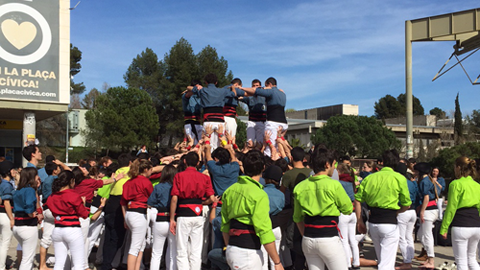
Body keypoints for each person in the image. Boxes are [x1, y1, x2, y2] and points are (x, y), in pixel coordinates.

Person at [221, 150, 284, 270]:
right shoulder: (259, 194)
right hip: (248, 252)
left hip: (232, 248)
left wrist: (231, 246)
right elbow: (264, 230)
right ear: (263, 168)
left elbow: (225, 225)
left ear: (243, 168)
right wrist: (277, 262)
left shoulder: (229, 191)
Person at [293, 147, 352, 270]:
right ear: (327, 164)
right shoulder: (334, 185)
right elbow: (348, 209)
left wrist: (306, 235)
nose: (334, 168)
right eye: (334, 164)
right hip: (329, 238)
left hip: (308, 238)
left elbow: (297, 218)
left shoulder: (300, 187)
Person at [354, 149, 411, 270]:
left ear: (382, 162)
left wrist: (359, 221)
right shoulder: (399, 178)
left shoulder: (370, 178)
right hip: (390, 221)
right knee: (387, 264)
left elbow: (357, 200)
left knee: (382, 260)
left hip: (373, 222)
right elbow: (407, 204)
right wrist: (398, 211)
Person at [169, 152, 215, 269]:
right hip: (198, 214)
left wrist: (172, 218)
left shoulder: (179, 176)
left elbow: (174, 198)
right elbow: (211, 198)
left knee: (181, 250)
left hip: (183, 214)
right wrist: (202, 203)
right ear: (198, 163)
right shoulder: (204, 177)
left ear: (184, 162)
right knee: (196, 250)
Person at [44, 170, 90, 270]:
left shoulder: (51, 197)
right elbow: (84, 214)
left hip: (57, 229)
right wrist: (83, 204)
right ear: (72, 181)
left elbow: (53, 212)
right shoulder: (73, 195)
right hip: (72, 230)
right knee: (78, 264)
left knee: (59, 263)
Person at [440, 157, 480, 270]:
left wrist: (444, 227)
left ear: (458, 168)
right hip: (476, 224)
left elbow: (451, 207)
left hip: (461, 224)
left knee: (461, 262)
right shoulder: (477, 185)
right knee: (472, 259)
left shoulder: (455, 184)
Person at [188, 73, 236, 150]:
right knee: (220, 145)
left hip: (208, 120)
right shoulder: (222, 91)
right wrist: (233, 88)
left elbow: (189, 88)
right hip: (220, 120)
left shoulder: (203, 90)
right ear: (216, 82)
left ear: (205, 82)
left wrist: (198, 87)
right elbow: (233, 94)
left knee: (207, 145)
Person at [240, 77, 287, 157]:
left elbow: (258, 91)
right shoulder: (282, 94)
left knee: (269, 149)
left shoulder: (269, 93)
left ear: (269, 85)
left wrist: (241, 88)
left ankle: (269, 164)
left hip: (272, 123)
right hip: (283, 123)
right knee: (278, 147)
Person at [120, 159, 154, 270]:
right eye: (150, 170)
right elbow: (152, 198)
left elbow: (123, 202)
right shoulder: (145, 181)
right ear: (145, 169)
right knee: (135, 247)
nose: (151, 172)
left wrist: (125, 218)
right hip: (139, 214)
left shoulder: (128, 182)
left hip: (129, 213)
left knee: (141, 245)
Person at [147, 164, 177, 270]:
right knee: (172, 251)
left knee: (156, 252)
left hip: (160, 219)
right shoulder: (176, 187)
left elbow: (150, 203)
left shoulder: (158, 187)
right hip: (173, 219)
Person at [12, 167, 42, 270]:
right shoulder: (30, 190)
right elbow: (29, 204)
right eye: (36, 175)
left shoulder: (18, 190)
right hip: (28, 226)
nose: (38, 177)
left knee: (26, 256)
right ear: (32, 177)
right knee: (27, 259)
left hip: (17, 226)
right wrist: (31, 214)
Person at [39, 162, 65, 270]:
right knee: (63, 236)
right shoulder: (56, 180)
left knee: (45, 239)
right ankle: (61, 262)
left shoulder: (45, 181)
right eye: (58, 168)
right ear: (55, 170)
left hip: (45, 210)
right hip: (54, 209)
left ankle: (42, 265)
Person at [415, 162, 440, 268]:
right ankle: (429, 256)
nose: (414, 172)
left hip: (428, 210)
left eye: (415, 171)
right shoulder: (429, 180)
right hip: (433, 209)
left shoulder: (424, 181)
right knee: (421, 234)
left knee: (427, 235)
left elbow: (426, 197)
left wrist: (422, 211)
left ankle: (431, 259)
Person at [395, 162, 418, 270]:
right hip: (413, 211)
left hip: (403, 210)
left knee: (401, 237)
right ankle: (410, 256)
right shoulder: (412, 183)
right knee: (409, 235)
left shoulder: (399, 182)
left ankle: (407, 261)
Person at [336, 163, 360, 270]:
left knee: (343, 240)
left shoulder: (339, 183)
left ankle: (347, 264)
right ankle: (356, 262)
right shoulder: (352, 182)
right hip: (353, 213)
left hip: (343, 213)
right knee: (353, 240)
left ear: (339, 172)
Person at [262, 165, 285, 270]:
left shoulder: (261, 192)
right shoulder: (281, 194)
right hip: (276, 227)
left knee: (263, 260)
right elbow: (280, 207)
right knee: (275, 260)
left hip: (263, 227)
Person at [239, 79, 266, 147]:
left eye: (257, 86)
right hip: (251, 122)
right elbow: (239, 97)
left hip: (261, 122)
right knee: (250, 142)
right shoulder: (249, 97)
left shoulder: (265, 97)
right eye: (253, 86)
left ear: (260, 86)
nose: (255, 87)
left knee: (260, 143)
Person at [0, 160, 15, 270]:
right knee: (5, 244)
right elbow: (6, 202)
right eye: (13, 169)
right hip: (5, 215)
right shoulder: (7, 185)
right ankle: (1, 266)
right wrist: (11, 218)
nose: (14, 171)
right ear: (9, 171)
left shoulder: (1, 183)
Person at [183, 80, 204, 145]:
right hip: (190, 121)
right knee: (192, 143)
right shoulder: (187, 94)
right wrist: (195, 89)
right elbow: (189, 94)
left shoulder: (200, 96)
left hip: (198, 122)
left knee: (200, 143)